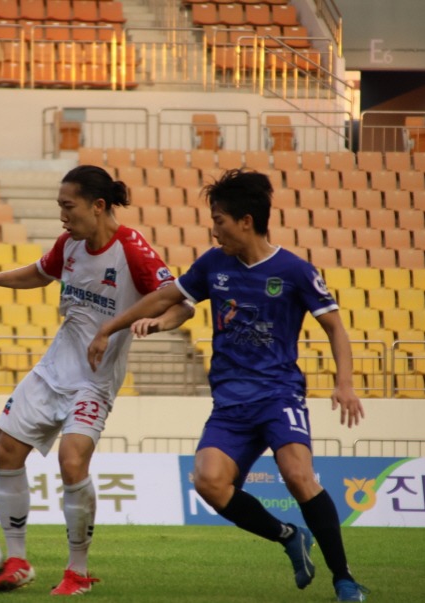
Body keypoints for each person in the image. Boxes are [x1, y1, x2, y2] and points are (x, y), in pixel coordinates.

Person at [88, 169, 370, 602]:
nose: (213, 228)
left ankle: (344, 577)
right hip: (230, 402)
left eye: (219, 219)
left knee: (297, 475)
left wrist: (345, 384)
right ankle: (288, 536)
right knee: (208, 481)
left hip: (278, 395)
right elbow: (174, 301)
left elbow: (333, 326)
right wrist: (126, 325)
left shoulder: (294, 270)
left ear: (246, 221)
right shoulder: (213, 264)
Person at [0, 165, 192, 596]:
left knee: (72, 462)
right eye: (59, 208)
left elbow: (181, 304)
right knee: (6, 450)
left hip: (94, 380)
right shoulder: (69, 244)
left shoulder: (133, 250)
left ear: (98, 205)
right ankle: (17, 561)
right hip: (54, 368)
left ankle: (78, 572)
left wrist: (157, 323)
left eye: (68, 207)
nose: (63, 217)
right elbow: (40, 272)